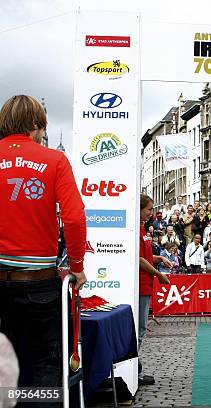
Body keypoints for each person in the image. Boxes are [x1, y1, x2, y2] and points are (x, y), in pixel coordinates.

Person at [0, 95, 87, 393]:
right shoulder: (54, 159)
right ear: (36, 125)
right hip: (39, 283)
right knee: (46, 364)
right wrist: (77, 266)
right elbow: (74, 219)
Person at [139, 195, 172, 384]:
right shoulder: (137, 229)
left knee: (141, 329)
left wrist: (158, 259)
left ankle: (137, 367)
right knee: (140, 330)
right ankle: (134, 371)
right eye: (149, 209)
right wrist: (159, 274)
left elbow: (145, 256)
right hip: (141, 285)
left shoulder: (143, 229)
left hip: (145, 285)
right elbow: (139, 259)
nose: (152, 213)